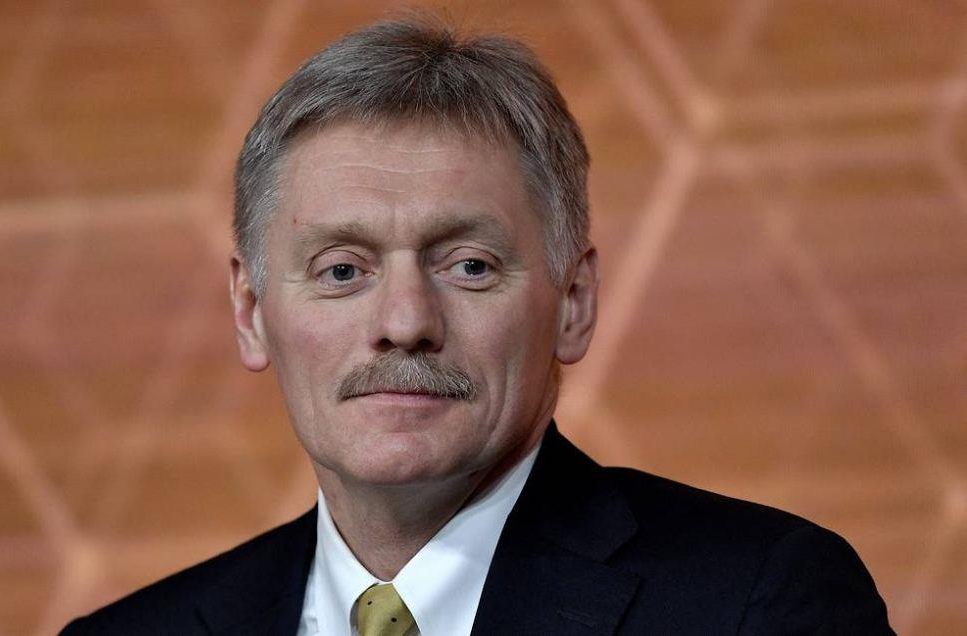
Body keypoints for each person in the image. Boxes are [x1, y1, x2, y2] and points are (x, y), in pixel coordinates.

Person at [61, 16, 894, 635]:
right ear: (250, 313)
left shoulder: (758, 604)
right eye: (343, 270)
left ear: (573, 303)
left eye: (469, 266)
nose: (404, 323)